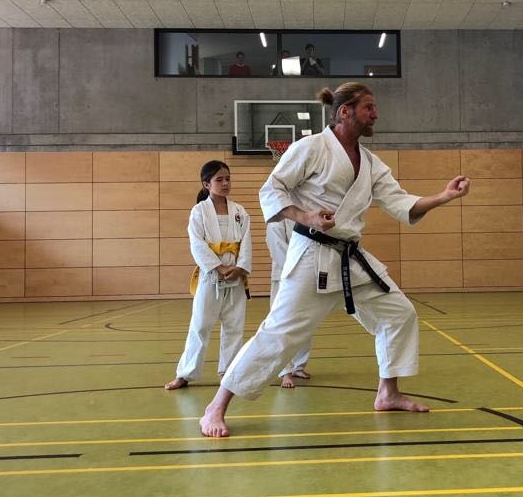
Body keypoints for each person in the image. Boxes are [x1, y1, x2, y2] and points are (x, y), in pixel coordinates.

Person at [199, 82, 470, 437]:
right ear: (345, 111)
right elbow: (271, 189)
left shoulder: (370, 163)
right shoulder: (311, 147)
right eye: (368, 107)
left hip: (350, 258)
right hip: (312, 254)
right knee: (280, 333)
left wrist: (443, 197)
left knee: (398, 313)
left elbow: (401, 203)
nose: (375, 114)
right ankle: (216, 407)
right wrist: (305, 215)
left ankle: (388, 393)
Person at [164, 160, 251, 390]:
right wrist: (218, 267)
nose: (225, 183)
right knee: (200, 325)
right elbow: (197, 243)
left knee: (234, 327)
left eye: (228, 179)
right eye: (219, 180)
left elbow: (246, 243)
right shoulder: (199, 211)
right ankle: (185, 374)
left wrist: (240, 268)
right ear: (206, 184)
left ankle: (228, 373)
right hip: (210, 276)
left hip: (236, 277)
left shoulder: (240, 212)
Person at [266, 217, 313, 388]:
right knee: (283, 323)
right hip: (284, 274)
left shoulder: (306, 216)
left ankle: (299, 365)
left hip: (306, 274)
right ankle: (285, 370)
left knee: (305, 321)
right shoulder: (276, 220)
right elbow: (277, 248)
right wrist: (297, 268)